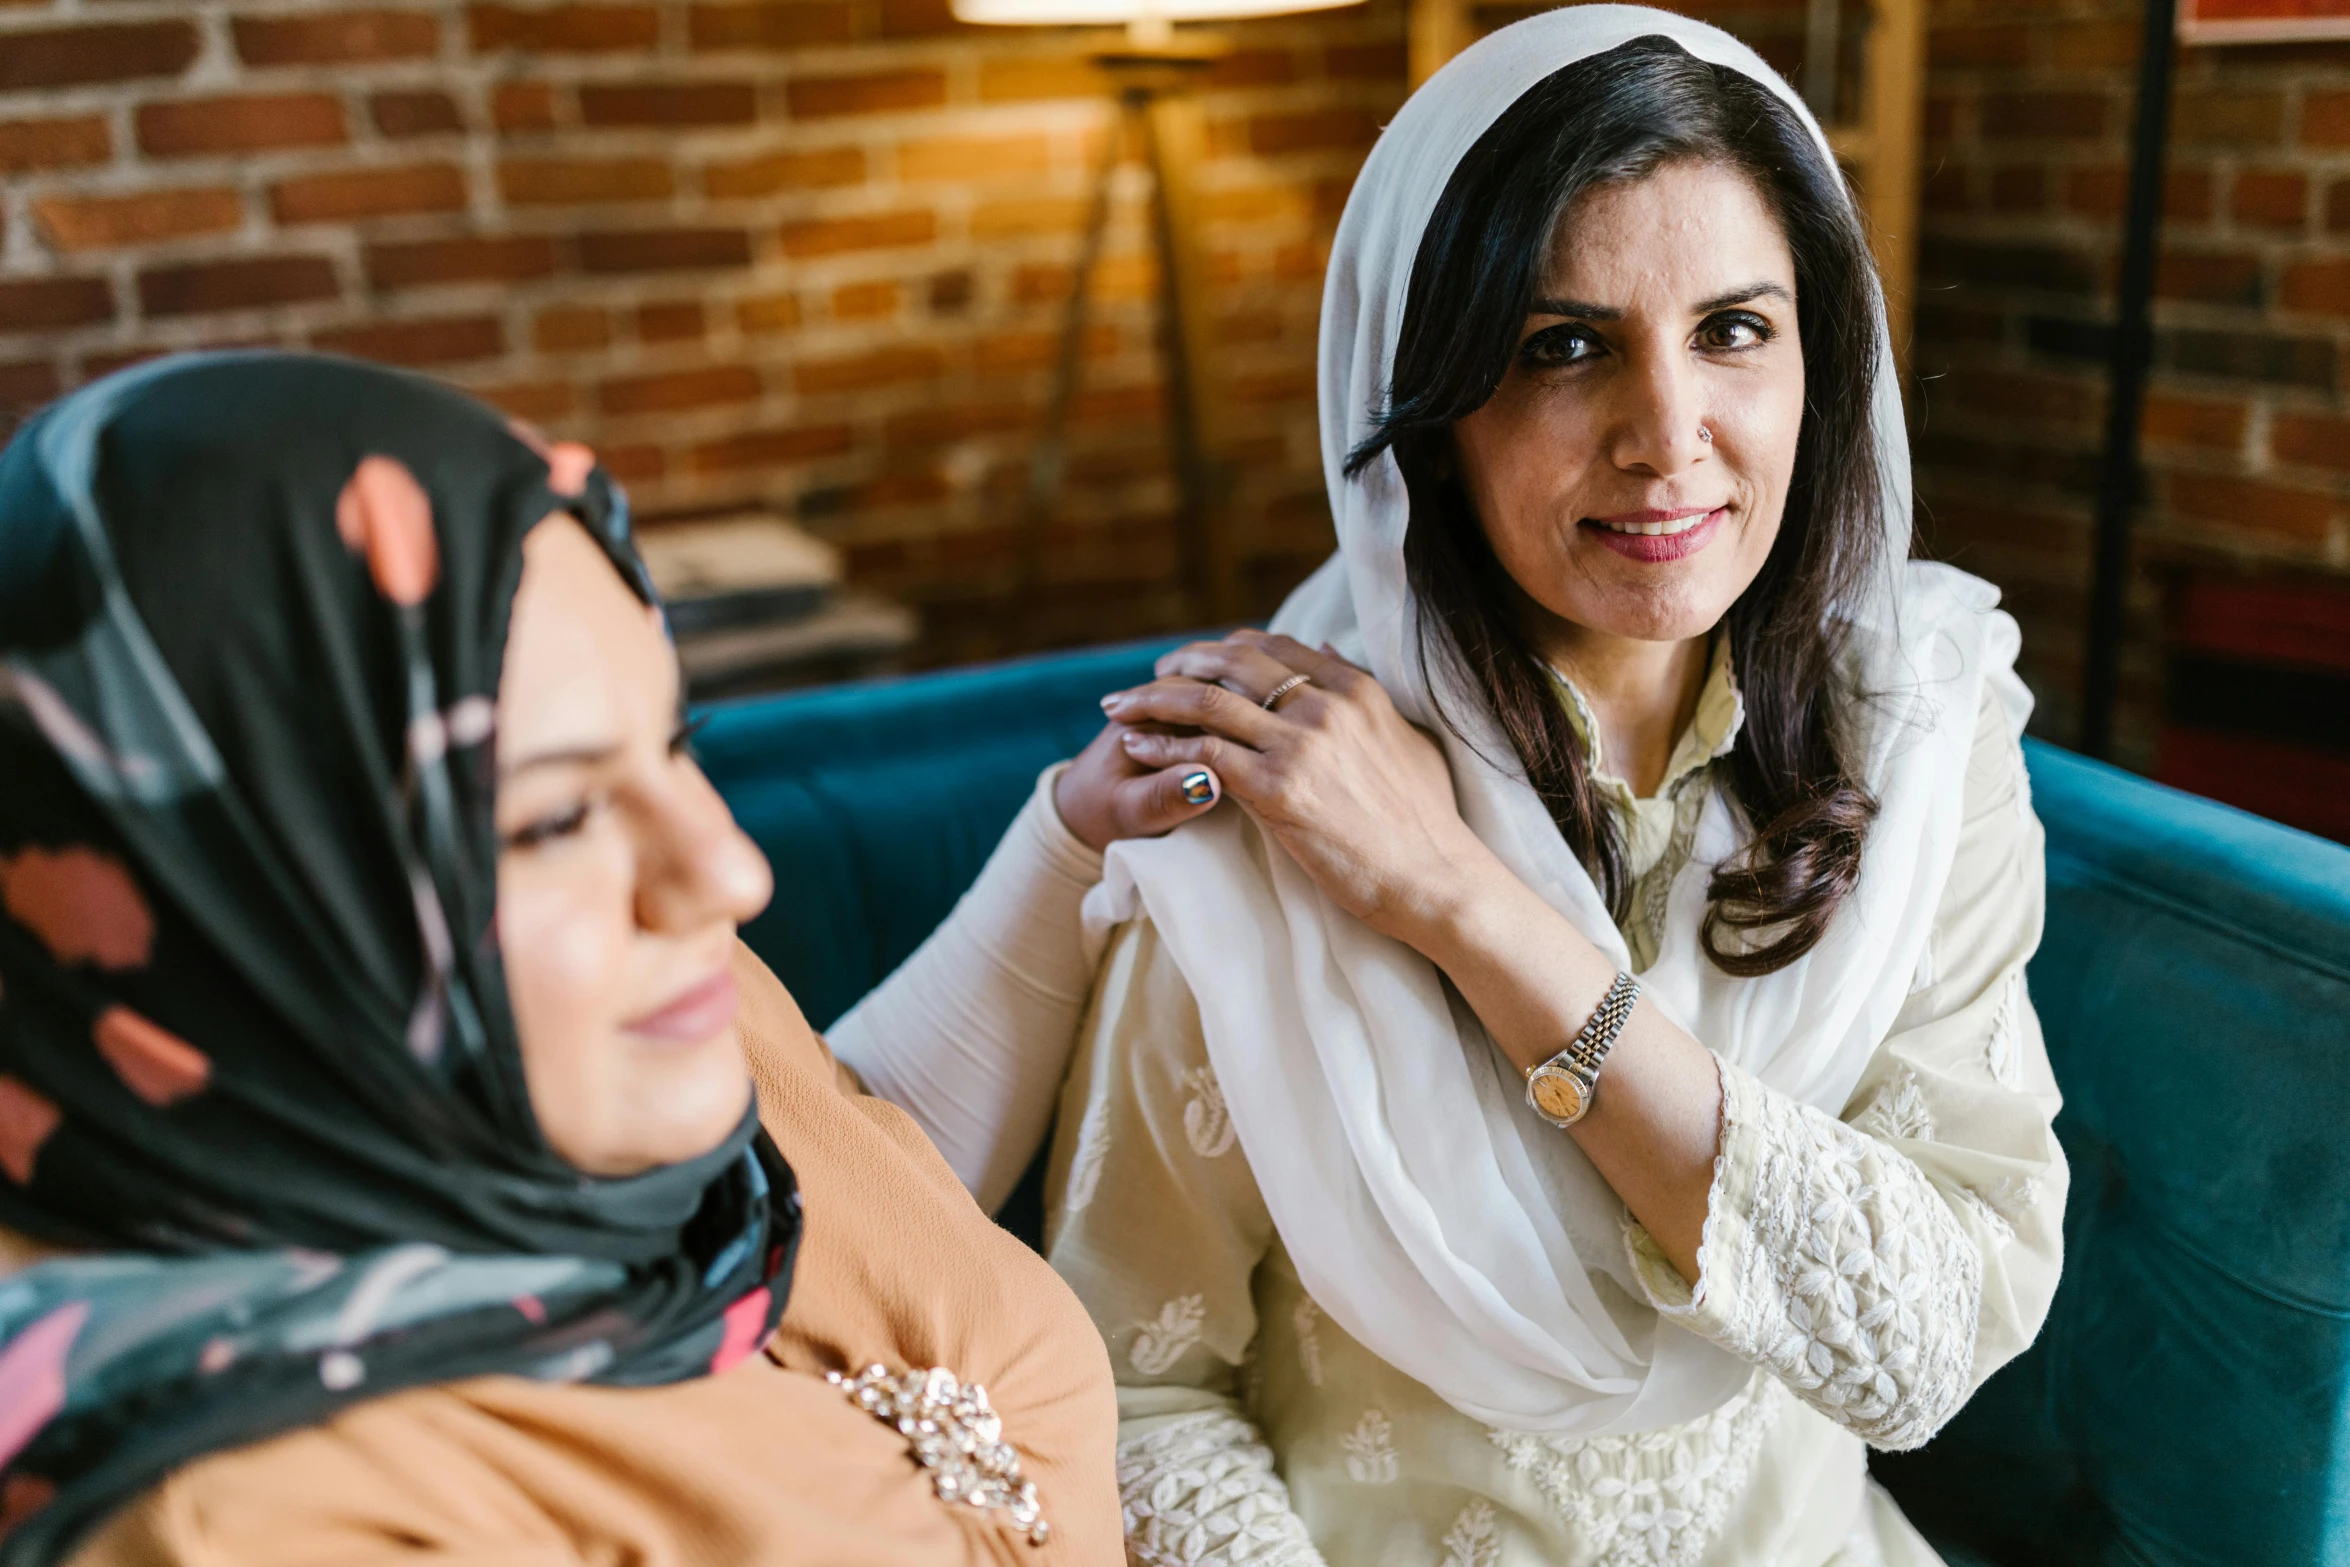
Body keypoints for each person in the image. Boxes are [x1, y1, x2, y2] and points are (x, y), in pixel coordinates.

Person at [853, 12, 2069, 1564]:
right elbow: (1137, 1390)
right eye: (1561, 346)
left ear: (1819, 360)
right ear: (1424, 406)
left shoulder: (1917, 723)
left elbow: (1925, 1343)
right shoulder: (1276, 779)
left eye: (1732, 330)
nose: (1666, 437)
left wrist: (1462, 904)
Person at [0, 351, 1212, 1566]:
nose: (730, 874)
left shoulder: (671, 1004)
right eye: (554, 817)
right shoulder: (244, 1524)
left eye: (672, 742)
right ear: (235, 910)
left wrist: (1065, 846)